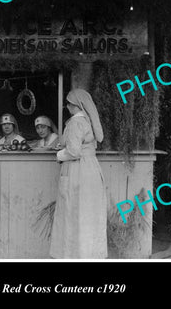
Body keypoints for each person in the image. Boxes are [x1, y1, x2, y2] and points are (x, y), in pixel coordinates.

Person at [50, 88, 107, 259]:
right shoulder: (87, 121)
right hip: (91, 169)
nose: (67, 107)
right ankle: (89, 254)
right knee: (88, 214)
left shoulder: (75, 123)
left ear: (75, 105)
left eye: (68, 103)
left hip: (78, 170)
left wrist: (59, 154)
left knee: (75, 214)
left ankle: (74, 255)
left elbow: (74, 152)